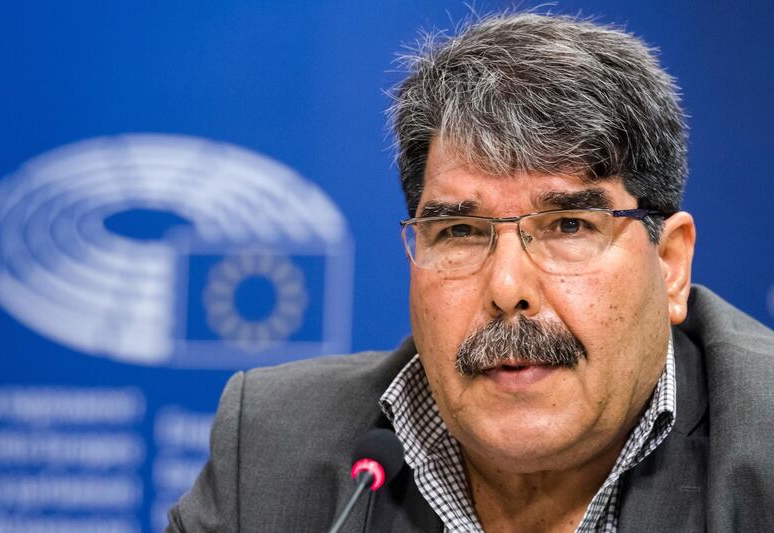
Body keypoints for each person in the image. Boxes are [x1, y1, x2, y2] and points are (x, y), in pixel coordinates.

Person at [167, 12, 774, 533]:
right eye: (459, 232)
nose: (507, 289)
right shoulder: (273, 450)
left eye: (567, 226)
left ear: (670, 265)